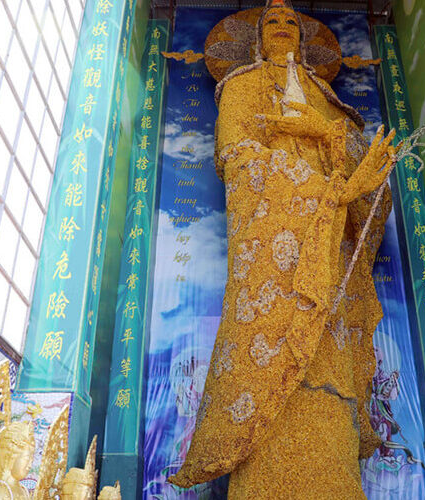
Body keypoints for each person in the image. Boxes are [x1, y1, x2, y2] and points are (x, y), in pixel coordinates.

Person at [167, 0, 396, 497]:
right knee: (268, 351)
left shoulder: (321, 93)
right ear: (255, 35)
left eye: (292, 21)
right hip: (271, 245)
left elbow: (357, 171)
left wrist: (323, 134)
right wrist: (329, 191)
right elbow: (237, 161)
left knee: (328, 358)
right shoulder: (241, 87)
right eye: (272, 21)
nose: (282, 28)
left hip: (325, 243)